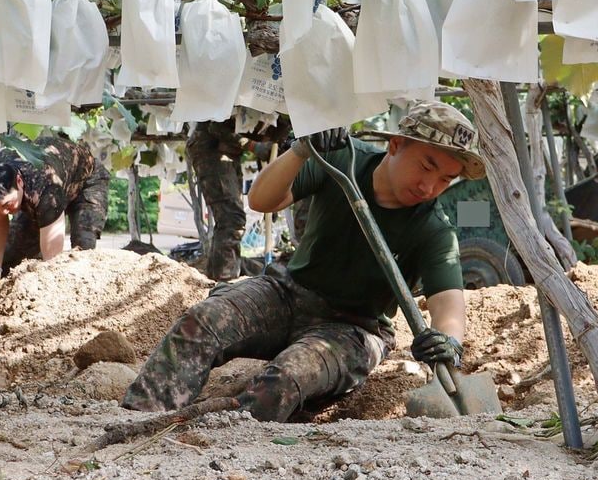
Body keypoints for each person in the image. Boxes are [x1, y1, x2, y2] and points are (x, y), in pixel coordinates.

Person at [122, 100, 485, 423]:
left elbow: (448, 303)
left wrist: (448, 342)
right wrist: (301, 150)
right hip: (287, 293)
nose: (429, 186)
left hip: (355, 330)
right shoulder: (342, 158)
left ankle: (224, 435)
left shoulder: (435, 229)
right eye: (426, 166)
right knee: (203, 320)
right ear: (395, 144)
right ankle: (141, 419)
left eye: (445, 179)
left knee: (288, 377)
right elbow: (262, 201)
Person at [0, 133, 110, 287]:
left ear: (18, 182)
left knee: (82, 246)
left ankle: (81, 293)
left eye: (6, 205)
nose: (3, 212)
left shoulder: (45, 186)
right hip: (40, 187)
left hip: (86, 181)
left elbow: (51, 259)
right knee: (11, 256)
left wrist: (47, 289)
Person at [184, 115, 290, 281]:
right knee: (231, 218)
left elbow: (272, 149)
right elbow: (215, 127)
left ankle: (216, 277)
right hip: (210, 149)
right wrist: (254, 146)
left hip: (230, 154)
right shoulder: (250, 95)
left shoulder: (283, 118)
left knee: (230, 218)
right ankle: (225, 279)